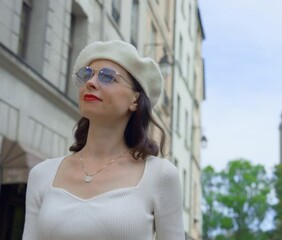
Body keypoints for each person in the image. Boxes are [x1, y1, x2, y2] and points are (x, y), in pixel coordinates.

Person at [23, 40, 184, 240]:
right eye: (87, 74)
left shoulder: (160, 175)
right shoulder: (42, 174)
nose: (90, 82)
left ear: (135, 100)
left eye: (107, 76)